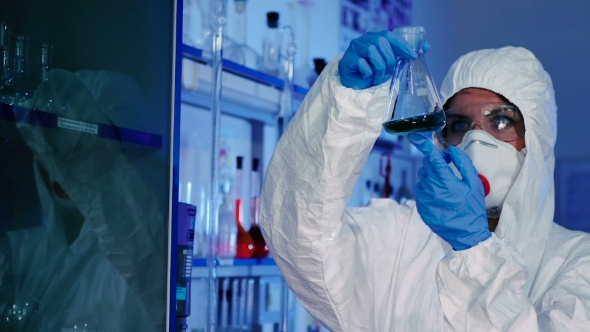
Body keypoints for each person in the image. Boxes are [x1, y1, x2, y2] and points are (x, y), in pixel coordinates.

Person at [259, 30, 590, 331]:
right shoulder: (398, 235)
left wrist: (474, 249)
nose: (476, 142)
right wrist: (345, 106)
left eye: (501, 121)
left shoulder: (576, 262)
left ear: (537, 140)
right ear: (440, 137)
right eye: (458, 124)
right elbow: (301, 235)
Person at [0, 69, 168, 331]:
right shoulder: (25, 251)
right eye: (53, 143)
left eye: (80, 148)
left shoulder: (142, 262)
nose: (62, 162)